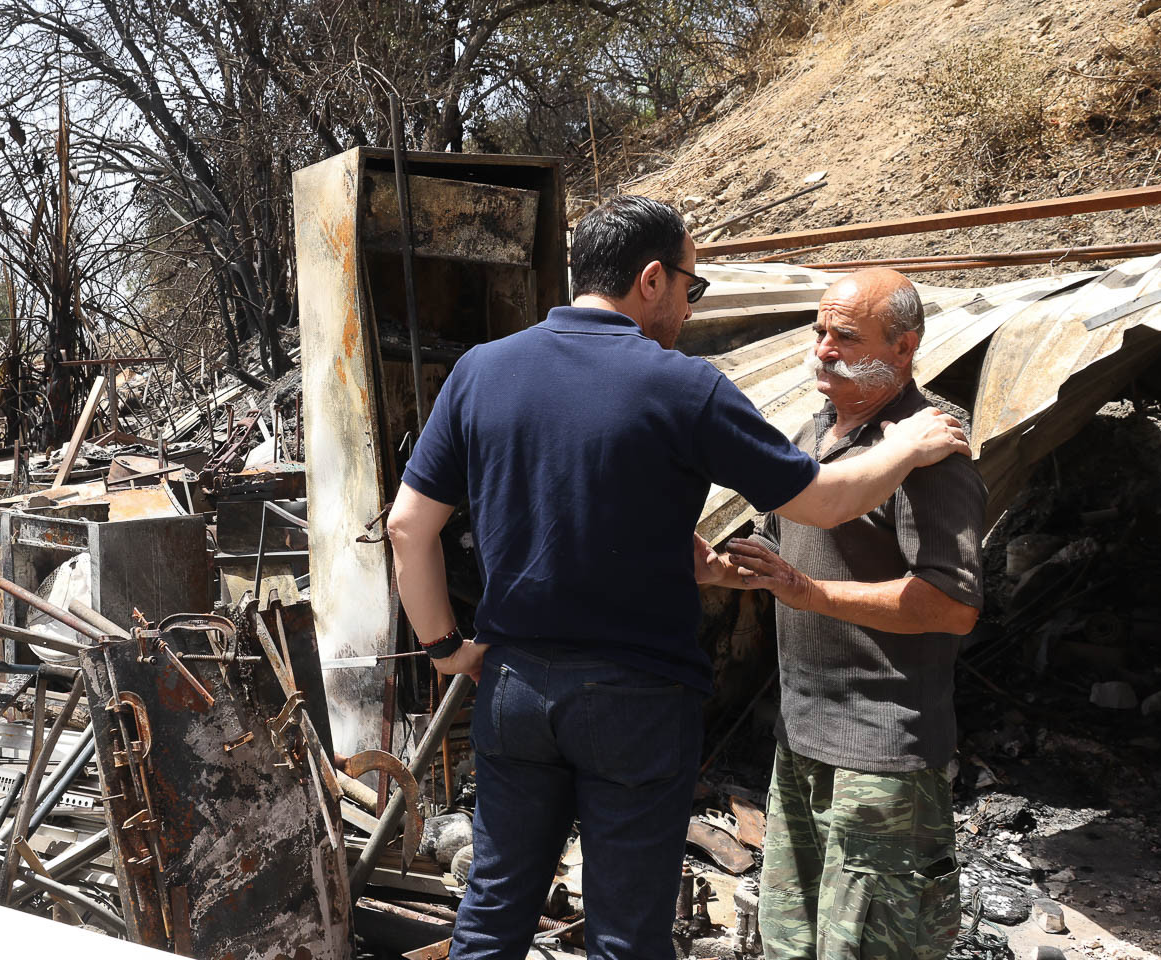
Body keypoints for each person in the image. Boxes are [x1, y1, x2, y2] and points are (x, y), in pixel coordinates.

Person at [384, 198, 970, 960]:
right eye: (691, 289)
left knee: (493, 917)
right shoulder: (683, 386)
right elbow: (824, 501)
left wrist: (445, 649)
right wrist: (909, 447)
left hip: (513, 689)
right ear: (651, 279)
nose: (690, 312)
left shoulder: (480, 371)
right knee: (627, 934)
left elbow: (407, 528)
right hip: (637, 702)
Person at [724, 268, 987, 960]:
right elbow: (784, 557)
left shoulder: (930, 452)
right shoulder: (816, 433)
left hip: (881, 757)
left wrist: (811, 594)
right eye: (819, 332)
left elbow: (953, 606)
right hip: (802, 740)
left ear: (904, 348)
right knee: (793, 941)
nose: (823, 349)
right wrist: (723, 569)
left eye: (844, 336)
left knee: (867, 948)